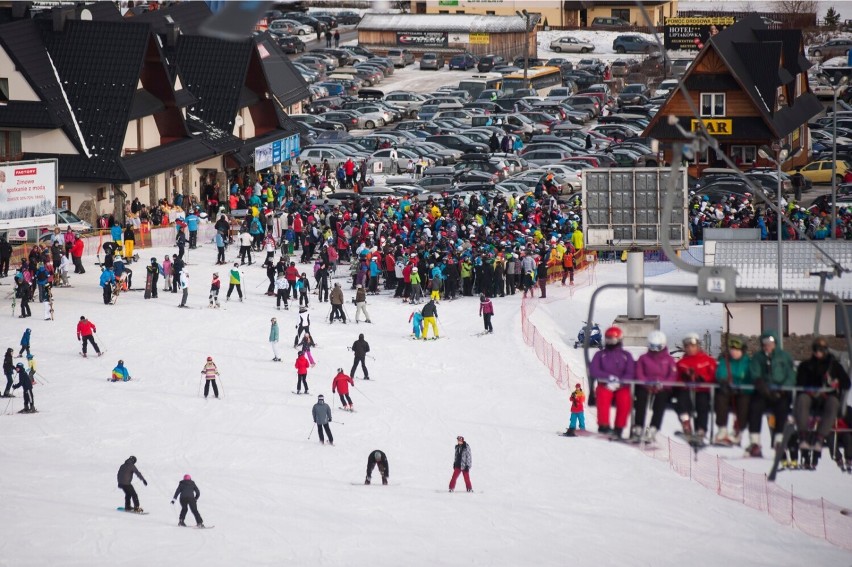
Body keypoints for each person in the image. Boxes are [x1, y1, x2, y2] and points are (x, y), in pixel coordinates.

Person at [794, 337, 850, 452]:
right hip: (810, 396)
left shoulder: (834, 367)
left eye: (821, 349)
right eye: (816, 349)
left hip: (827, 397)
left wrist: (837, 382)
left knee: (833, 403)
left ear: (825, 350)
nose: (818, 352)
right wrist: (810, 389)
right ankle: (803, 435)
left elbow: (847, 383)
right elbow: (800, 383)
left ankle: (820, 437)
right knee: (802, 399)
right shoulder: (806, 366)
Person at [750, 330, 796, 451]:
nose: (767, 346)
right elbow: (755, 373)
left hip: (781, 393)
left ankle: (778, 439)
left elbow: (791, 375)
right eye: (765, 344)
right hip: (764, 393)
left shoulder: (784, 357)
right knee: (755, 407)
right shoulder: (758, 357)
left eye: (770, 343)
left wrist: (783, 388)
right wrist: (762, 386)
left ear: (775, 343)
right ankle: (755, 441)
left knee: (782, 408)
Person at [714, 336, 759, 452]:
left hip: (744, 392)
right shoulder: (725, 361)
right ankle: (722, 429)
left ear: (742, 351)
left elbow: (751, 377)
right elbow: (721, 373)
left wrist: (743, 388)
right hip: (728, 390)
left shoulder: (748, 363)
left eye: (737, 350)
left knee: (744, 403)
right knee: (720, 398)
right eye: (732, 349)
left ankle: (738, 430)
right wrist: (724, 381)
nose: (734, 352)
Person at [633, 330, 678, 443]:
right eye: (652, 347)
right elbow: (639, 373)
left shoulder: (668, 360)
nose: (654, 350)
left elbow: (673, 375)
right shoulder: (643, 358)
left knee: (660, 402)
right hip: (646, 385)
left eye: (657, 347)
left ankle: (653, 428)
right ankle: (638, 427)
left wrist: (663, 384)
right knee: (641, 400)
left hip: (662, 387)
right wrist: (646, 383)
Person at [589, 326, 634, 438]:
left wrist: (620, 381)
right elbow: (594, 370)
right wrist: (608, 378)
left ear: (618, 339)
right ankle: (603, 426)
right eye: (608, 339)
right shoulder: (600, 355)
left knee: (624, 399)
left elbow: (631, 371)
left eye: (612, 339)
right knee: (603, 395)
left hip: (622, 385)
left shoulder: (626, 355)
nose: (610, 342)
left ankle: (619, 428)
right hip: (605, 384)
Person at [675, 332, 718, 443]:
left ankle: (701, 429)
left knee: (702, 405)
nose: (690, 349)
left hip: (702, 390)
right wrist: (685, 377)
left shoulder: (707, 361)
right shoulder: (682, 363)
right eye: (687, 347)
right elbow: (676, 378)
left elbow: (714, 376)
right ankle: (686, 423)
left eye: (693, 346)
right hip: (687, 389)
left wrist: (703, 379)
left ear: (698, 346)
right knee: (682, 401)